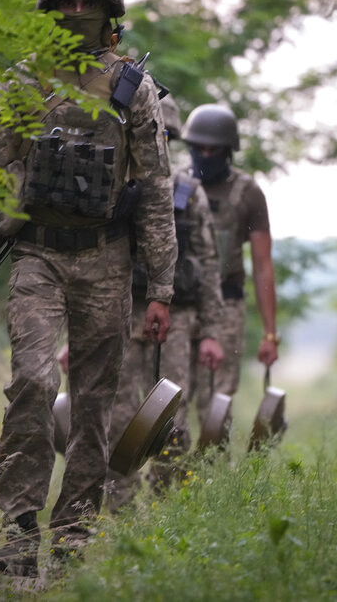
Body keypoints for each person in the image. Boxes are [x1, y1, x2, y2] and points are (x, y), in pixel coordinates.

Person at [0, 0, 177, 577]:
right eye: (67, 1)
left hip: (108, 261)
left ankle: (76, 530)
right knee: (31, 380)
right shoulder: (23, 82)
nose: (78, 11)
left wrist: (159, 287)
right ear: (51, 10)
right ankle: (20, 528)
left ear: (110, 12)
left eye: (90, 2)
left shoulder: (134, 89)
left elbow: (157, 192)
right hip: (37, 256)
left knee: (95, 402)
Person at [104, 95, 225, 509]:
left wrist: (210, 332)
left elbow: (209, 266)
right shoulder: (114, 185)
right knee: (117, 417)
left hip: (177, 320)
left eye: (165, 135)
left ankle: (167, 510)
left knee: (171, 421)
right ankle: (117, 510)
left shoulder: (190, 193)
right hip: (122, 312)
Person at [181, 104, 280, 425]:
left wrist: (269, 334)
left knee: (217, 401)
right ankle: (169, 473)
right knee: (172, 396)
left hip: (227, 304)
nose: (205, 155)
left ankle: (212, 472)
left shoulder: (248, 192)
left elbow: (263, 265)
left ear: (228, 151)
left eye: (214, 150)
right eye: (199, 149)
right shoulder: (176, 185)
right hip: (180, 303)